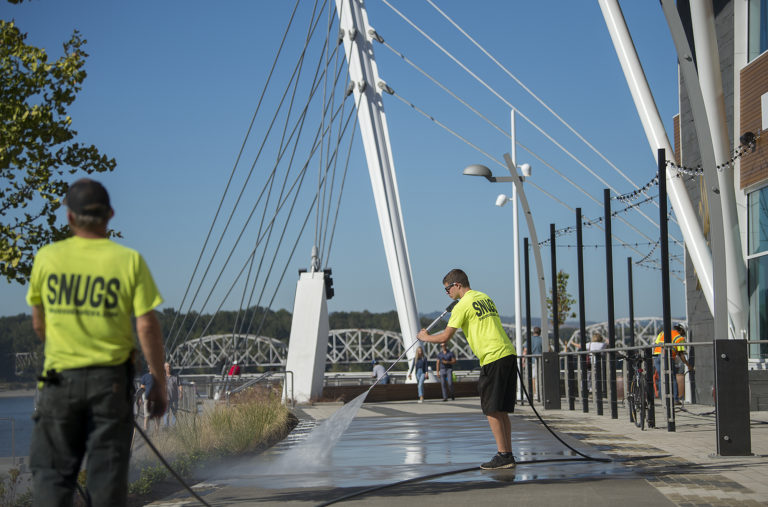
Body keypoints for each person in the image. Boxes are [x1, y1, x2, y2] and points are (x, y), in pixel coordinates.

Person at [26, 178, 166, 506]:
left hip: (60, 379)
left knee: (52, 477)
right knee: (107, 481)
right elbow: (146, 326)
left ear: (70, 217)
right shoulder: (129, 261)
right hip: (110, 385)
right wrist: (157, 381)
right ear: (110, 215)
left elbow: (38, 322)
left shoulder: (47, 258)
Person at [418, 269, 517, 470]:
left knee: (491, 408)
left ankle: (503, 455)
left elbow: (445, 337)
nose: (446, 293)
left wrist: (425, 337)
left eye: (447, 289)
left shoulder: (461, 306)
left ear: (456, 285)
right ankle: (508, 453)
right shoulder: (484, 297)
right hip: (508, 354)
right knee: (502, 409)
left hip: (492, 357)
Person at [653, 324, 693, 404]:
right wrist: (688, 365)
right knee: (673, 377)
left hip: (656, 356)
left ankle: (662, 399)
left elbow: (655, 345)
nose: (683, 334)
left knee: (662, 378)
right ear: (681, 330)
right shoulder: (679, 338)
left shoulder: (662, 333)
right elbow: (681, 354)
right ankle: (675, 399)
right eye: (683, 332)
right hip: (667, 357)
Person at [522, 326, 542, 396]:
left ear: (533, 332)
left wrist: (523, 361)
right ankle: (538, 392)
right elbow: (548, 349)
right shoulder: (542, 340)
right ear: (540, 332)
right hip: (540, 361)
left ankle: (534, 393)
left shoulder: (529, 340)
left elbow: (525, 351)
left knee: (532, 378)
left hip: (530, 361)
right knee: (539, 377)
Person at [165, 362, 182, 426]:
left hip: (174, 397)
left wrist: (181, 392)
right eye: (167, 366)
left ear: (171, 367)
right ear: (164, 368)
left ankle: (173, 426)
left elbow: (179, 385)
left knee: (175, 412)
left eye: (169, 366)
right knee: (166, 413)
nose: (168, 368)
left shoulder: (176, 376)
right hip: (166, 398)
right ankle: (166, 426)